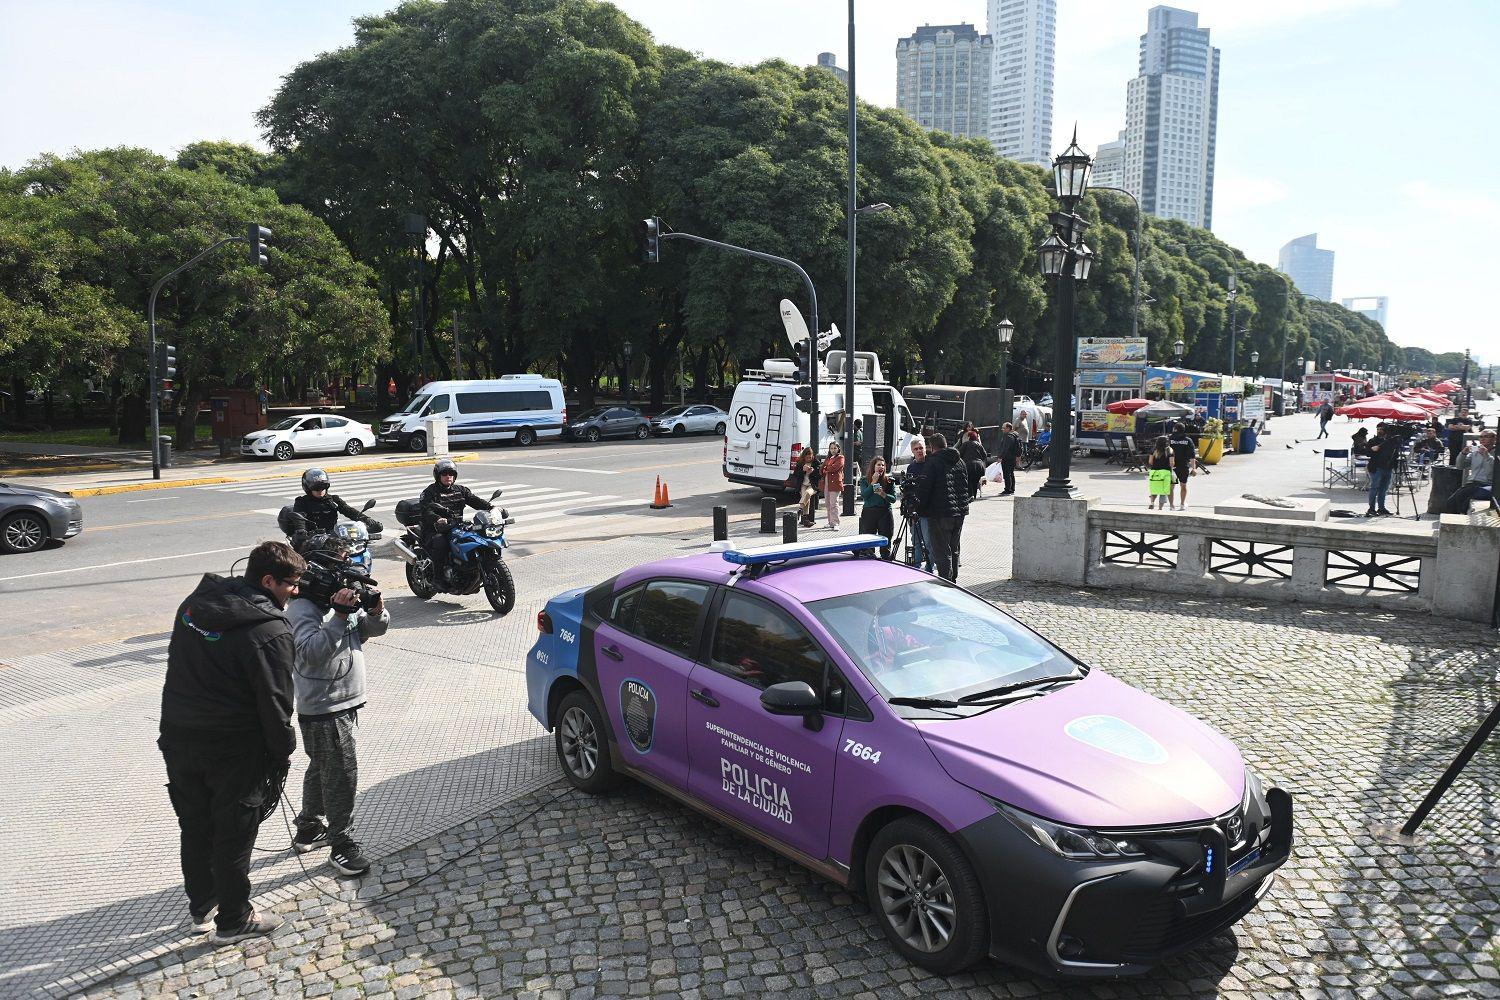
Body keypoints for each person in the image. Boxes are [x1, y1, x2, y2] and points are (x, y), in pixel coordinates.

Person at [158, 540, 302, 943]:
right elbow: (276, 702)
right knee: (233, 833)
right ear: (268, 580)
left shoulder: (194, 605)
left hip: (179, 737)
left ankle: (202, 906)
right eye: (291, 584)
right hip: (235, 748)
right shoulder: (271, 631)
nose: (295, 592)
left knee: (195, 825)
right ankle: (234, 919)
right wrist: (282, 751)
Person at [287, 535, 388, 877]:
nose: (343, 573)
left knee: (323, 767)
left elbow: (372, 630)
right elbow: (311, 654)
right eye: (337, 564)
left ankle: (309, 827)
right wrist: (340, 614)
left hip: (344, 700)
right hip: (325, 706)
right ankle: (341, 843)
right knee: (342, 773)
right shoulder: (302, 609)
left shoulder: (340, 599)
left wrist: (375, 610)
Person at [418, 458, 493, 581]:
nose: (448, 477)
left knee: (475, 537)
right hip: (434, 529)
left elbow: (475, 500)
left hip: (456, 526)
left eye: (451, 474)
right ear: (438, 476)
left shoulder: (461, 490)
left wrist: (491, 507)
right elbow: (426, 511)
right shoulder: (429, 492)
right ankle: (439, 578)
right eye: (444, 474)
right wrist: (437, 518)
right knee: (441, 543)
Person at [914, 432, 970, 582]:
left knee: (941, 549)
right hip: (960, 511)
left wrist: (918, 508)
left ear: (932, 447)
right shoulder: (960, 461)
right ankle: (953, 579)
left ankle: (946, 581)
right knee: (954, 547)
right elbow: (966, 486)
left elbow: (925, 489)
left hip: (940, 512)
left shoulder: (933, 462)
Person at [293, 469, 384, 536]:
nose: (320, 491)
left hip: (334, 536)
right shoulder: (301, 502)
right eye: (316, 488)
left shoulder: (333, 500)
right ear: (308, 488)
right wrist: (301, 531)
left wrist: (366, 519)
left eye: (323, 487)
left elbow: (348, 510)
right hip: (311, 539)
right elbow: (299, 519)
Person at [1443, 430, 1495, 514]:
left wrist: (1486, 456)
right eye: (1481, 437)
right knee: (1452, 502)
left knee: (1462, 502)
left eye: (1486, 436)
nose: (1482, 439)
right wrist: (1463, 454)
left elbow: (1491, 471)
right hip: (1471, 483)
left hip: (1487, 484)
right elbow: (1460, 466)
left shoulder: (1496, 453)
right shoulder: (1475, 452)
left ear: (1494, 439)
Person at [903, 439, 933, 571]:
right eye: (916, 449)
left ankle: (930, 565)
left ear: (925, 448)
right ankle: (916, 564)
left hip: (927, 510)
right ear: (912, 451)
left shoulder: (931, 464)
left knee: (927, 541)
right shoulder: (911, 467)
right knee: (915, 539)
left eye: (921, 448)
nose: (919, 451)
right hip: (914, 509)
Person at [858, 457, 897, 559]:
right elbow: (865, 496)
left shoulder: (889, 481)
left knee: (886, 538)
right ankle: (869, 559)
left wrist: (883, 494)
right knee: (869, 541)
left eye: (883, 465)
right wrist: (872, 483)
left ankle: (885, 559)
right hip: (869, 512)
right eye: (878, 465)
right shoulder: (864, 480)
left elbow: (893, 499)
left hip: (884, 512)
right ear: (873, 466)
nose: (881, 467)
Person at [1364, 423, 1399, 517]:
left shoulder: (1390, 441)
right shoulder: (1373, 441)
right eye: (1378, 429)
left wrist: (1394, 465)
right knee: (1374, 488)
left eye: (1381, 429)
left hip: (1387, 468)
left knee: (1383, 489)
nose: (1379, 431)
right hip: (1376, 468)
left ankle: (1381, 508)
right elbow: (1367, 452)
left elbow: (1395, 454)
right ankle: (1371, 509)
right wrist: (1372, 449)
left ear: (1386, 430)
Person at [788, 446, 820, 528]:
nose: (809, 459)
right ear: (804, 456)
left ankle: (800, 509)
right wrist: (803, 470)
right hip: (803, 484)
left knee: (807, 493)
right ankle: (805, 520)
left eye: (810, 457)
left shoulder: (816, 462)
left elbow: (820, 475)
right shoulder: (800, 463)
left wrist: (813, 472)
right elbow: (795, 475)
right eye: (807, 457)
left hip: (812, 485)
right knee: (806, 499)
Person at [1168, 422, 1197, 511]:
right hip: (1183, 466)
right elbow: (1192, 456)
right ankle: (1182, 504)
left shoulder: (1169, 439)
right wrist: (1194, 468)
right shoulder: (1188, 440)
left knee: (1171, 486)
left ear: (1175, 429)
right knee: (1183, 485)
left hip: (1172, 466)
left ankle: (1172, 506)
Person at [958, 423, 988, 500]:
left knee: (969, 481)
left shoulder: (965, 444)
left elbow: (959, 454)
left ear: (969, 437)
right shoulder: (979, 445)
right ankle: (974, 496)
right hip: (979, 466)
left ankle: (970, 495)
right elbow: (985, 455)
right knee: (975, 481)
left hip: (968, 465)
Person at [821, 441, 846, 531]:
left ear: (838, 448)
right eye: (831, 448)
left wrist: (826, 468)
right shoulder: (828, 458)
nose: (833, 450)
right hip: (827, 482)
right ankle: (830, 522)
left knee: (834, 503)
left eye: (835, 448)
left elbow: (835, 467)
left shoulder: (840, 457)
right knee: (827, 503)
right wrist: (825, 469)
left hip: (835, 482)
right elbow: (822, 468)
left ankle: (836, 523)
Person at [1146, 436, 1174, 510]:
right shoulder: (1170, 450)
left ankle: (1152, 503)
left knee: (1154, 488)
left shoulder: (1154, 450)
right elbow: (1171, 463)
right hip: (1165, 472)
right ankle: (1160, 508)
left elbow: (1150, 462)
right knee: (1164, 490)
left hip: (1154, 472)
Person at [994, 421, 1021, 496]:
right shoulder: (1014, 435)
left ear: (1008, 428)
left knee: (1007, 474)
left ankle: (1008, 489)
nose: (1002, 429)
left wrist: (1000, 457)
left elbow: (1006, 448)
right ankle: (1012, 489)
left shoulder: (1008, 436)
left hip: (1007, 458)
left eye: (1004, 428)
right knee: (1011, 473)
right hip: (1012, 457)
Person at [851, 419, 865, 486]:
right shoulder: (860, 432)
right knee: (859, 469)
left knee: (854, 469)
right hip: (859, 453)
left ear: (855, 425)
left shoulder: (857, 433)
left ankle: (854, 482)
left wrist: (850, 442)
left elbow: (858, 443)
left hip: (856, 454)